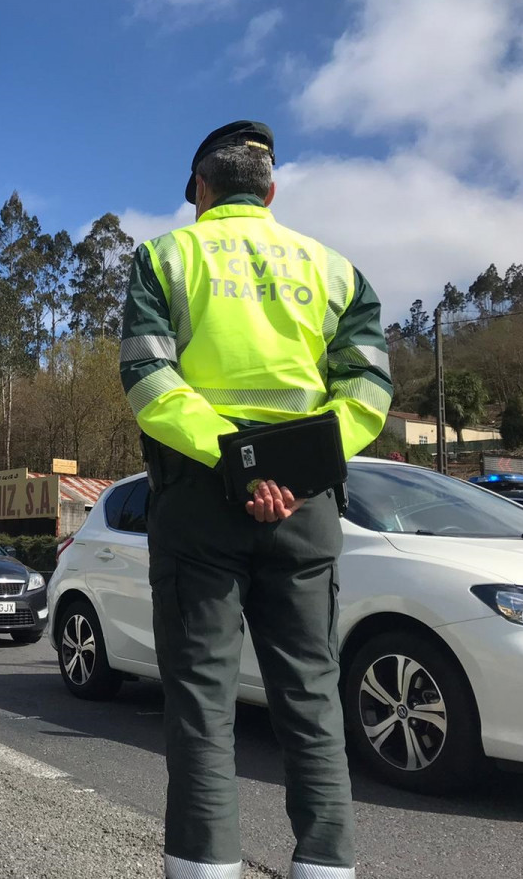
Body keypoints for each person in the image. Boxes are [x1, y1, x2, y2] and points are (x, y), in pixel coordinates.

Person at [119, 121, 392, 879]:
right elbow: (369, 391)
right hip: (306, 509)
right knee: (311, 701)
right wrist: (296, 472)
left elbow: (149, 381)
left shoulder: (166, 256)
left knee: (204, 707)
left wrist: (237, 464)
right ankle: (328, 867)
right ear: (270, 192)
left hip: (201, 499)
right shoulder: (335, 270)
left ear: (200, 192)